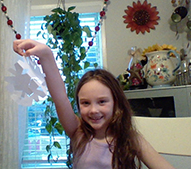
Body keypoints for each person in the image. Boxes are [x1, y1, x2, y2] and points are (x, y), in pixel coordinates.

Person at [13, 39, 175, 169]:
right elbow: (60, 97)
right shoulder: (78, 132)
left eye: (102, 101)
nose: (93, 110)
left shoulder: (129, 137)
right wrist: (46, 55)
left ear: (116, 103)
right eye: (85, 103)